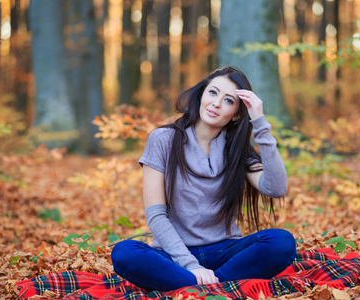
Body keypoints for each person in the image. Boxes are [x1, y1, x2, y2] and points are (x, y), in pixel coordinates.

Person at [111, 66, 296, 291]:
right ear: (202, 95)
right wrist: (191, 266)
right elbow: (156, 215)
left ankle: (198, 287)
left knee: (281, 243)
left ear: (237, 113)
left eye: (228, 101)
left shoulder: (237, 150)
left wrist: (260, 125)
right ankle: (217, 285)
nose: (216, 103)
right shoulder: (163, 139)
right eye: (213, 92)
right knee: (124, 253)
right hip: (173, 254)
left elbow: (276, 188)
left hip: (225, 252)